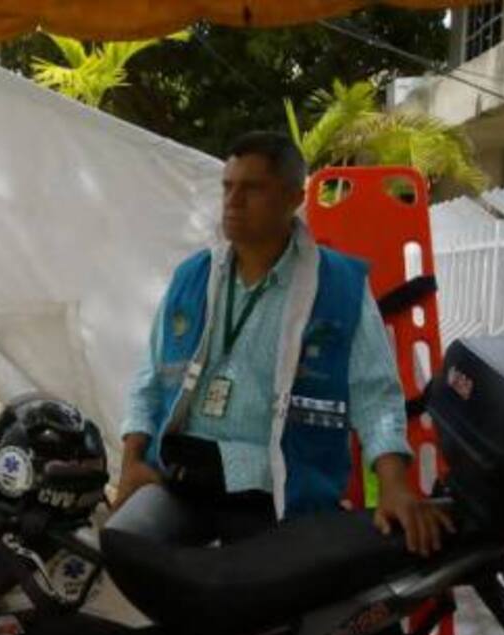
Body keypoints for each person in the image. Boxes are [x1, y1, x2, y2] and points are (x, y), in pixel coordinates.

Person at [111, 131, 453, 555]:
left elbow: (376, 395)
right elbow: (149, 377)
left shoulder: (337, 285)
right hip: (182, 477)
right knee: (124, 549)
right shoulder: (193, 277)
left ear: (294, 198)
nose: (233, 201)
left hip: (278, 489)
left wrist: (395, 486)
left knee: (256, 603)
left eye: (252, 188)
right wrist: (132, 466)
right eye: (228, 186)